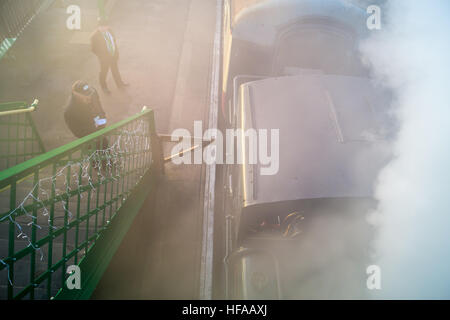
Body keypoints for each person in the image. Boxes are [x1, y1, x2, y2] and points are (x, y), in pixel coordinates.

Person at [90, 18, 128, 94]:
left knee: (115, 70)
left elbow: (113, 42)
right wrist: (102, 56)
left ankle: (119, 84)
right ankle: (104, 87)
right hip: (104, 59)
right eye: (102, 26)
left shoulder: (110, 31)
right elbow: (93, 49)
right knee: (104, 72)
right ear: (98, 27)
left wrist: (116, 53)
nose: (104, 28)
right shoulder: (94, 36)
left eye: (106, 26)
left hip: (113, 55)